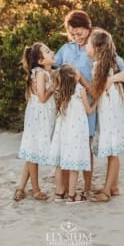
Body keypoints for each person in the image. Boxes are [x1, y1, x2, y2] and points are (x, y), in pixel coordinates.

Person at [54, 10, 124, 197]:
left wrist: (109, 81)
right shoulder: (66, 49)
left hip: (94, 104)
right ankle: (64, 188)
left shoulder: (97, 45)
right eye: (72, 33)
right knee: (67, 143)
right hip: (70, 106)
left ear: (88, 29)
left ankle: (89, 187)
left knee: (88, 144)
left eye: (79, 32)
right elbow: (53, 69)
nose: (76, 36)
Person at [86, 28, 124, 202]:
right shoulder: (102, 62)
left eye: (88, 44)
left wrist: (80, 80)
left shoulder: (106, 63)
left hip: (111, 111)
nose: (86, 47)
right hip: (108, 109)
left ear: (97, 48)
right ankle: (113, 187)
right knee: (112, 151)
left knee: (112, 151)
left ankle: (107, 191)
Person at [49, 64, 97, 203]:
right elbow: (89, 111)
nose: (80, 74)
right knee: (74, 164)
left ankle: (59, 193)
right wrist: (97, 102)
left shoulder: (60, 91)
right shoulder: (80, 90)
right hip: (76, 132)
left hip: (62, 133)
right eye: (77, 73)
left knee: (60, 164)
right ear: (73, 78)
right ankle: (71, 196)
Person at [14, 42, 56, 201]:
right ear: (40, 61)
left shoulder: (49, 72)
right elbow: (42, 97)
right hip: (39, 116)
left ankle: (21, 187)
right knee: (34, 152)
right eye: (47, 51)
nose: (51, 51)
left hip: (44, 115)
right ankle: (36, 189)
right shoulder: (39, 73)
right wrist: (54, 87)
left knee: (33, 151)